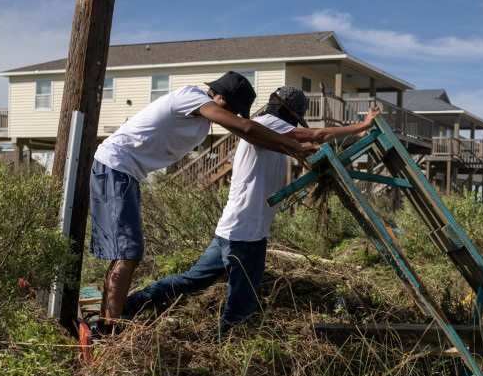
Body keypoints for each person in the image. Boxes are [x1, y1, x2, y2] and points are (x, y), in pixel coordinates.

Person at [123, 86, 381, 336]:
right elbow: (319, 136)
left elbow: (313, 146)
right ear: (288, 113)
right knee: (243, 300)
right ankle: (228, 343)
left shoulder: (270, 132)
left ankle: (131, 305)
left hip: (231, 228)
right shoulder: (270, 125)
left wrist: (354, 139)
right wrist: (364, 124)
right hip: (247, 234)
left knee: (192, 280)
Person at [90, 72, 317, 334]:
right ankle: (108, 329)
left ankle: (117, 317)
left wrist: (291, 147)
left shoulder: (202, 119)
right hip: (116, 165)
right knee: (128, 252)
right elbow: (247, 127)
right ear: (219, 95)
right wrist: (295, 145)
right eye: (231, 108)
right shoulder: (191, 97)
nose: (233, 114)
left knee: (150, 261)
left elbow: (250, 132)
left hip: (128, 173)